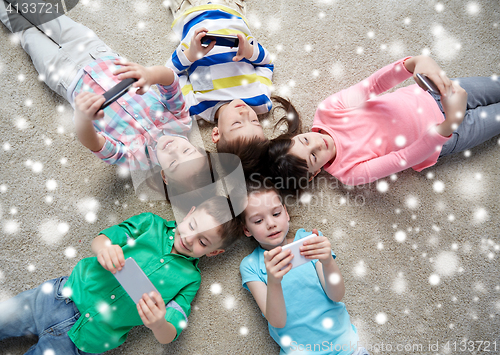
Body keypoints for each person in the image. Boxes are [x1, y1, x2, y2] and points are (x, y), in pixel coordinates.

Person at [0, 195, 243, 354]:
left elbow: (171, 333)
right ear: (189, 214)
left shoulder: (190, 281)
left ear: (214, 252)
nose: (189, 238)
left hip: (84, 339)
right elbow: (102, 239)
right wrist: (105, 249)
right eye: (192, 226)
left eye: (202, 241)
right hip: (59, 296)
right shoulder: (150, 223)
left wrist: (159, 323)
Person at [0, 1, 206, 179]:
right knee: (44, 14)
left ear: (164, 176)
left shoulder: (136, 159)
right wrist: (150, 74)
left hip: (66, 78)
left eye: (173, 164)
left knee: (27, 35)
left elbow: (95, 143)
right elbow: (170, 81)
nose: (174, 151)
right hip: (95, 53)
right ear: (195, 146)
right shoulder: (181, 121)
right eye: (186, 151)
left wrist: (82, 118)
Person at [265, 55, 500, 188]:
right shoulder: (349, 173)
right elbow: (403, 159)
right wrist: (450, 123)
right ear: (315, 174)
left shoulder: (328, 110)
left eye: (305, 140)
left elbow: (374, 85)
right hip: (448, 134)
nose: (317, 144)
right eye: (313, 156)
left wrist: (412, 64)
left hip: (431, 93)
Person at [239, 182, 369, 355]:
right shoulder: (251, 265)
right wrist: (274, 282)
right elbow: (277, 321)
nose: (270, 223)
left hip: (346, 347)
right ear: (247, 229)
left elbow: (336, 295)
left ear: (286, 213)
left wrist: (328, 262)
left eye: (276, 213)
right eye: (258, 220)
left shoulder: (310, 241)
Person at [165, 0, 300, 151]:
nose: (245, 113)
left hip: (190, 12)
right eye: (255, 122)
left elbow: (170, 76)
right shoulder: (260, 100)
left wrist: (189, 55)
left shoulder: (196, 107)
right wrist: (251, 52)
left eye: (237, 123)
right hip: (231, 9)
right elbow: (267, 64)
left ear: (216, 134)